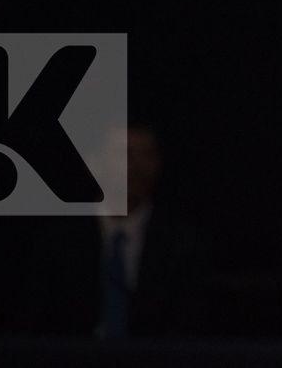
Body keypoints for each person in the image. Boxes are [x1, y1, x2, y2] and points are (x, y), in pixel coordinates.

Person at [20, 124, 208, 338]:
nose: (136, 166)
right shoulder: (57, 242)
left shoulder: (184, 245)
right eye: (124, 154)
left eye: (147, 154)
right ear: (93, 163)